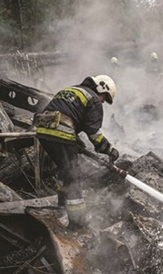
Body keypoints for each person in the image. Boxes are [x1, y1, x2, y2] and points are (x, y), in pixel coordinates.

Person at [34, 75, 120, 228]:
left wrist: (74, 140)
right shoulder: (93, 99)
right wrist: (109, 149)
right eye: (104, 98)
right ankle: (77, 221)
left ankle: (61, 204)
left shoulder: (71, 90)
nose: (102, 101)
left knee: (64, 169)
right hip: (60, 133)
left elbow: (67, 114)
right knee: (73, 174)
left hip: (42, 132)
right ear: (101, 88)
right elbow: (93, 132)